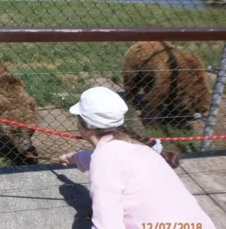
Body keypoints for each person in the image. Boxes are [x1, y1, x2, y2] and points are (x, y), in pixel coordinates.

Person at [58, 86, 216, 229]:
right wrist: (74, 157)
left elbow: (107, 224)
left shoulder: (105, 160)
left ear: (86, 126)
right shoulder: (138, 147)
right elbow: (111, 161)